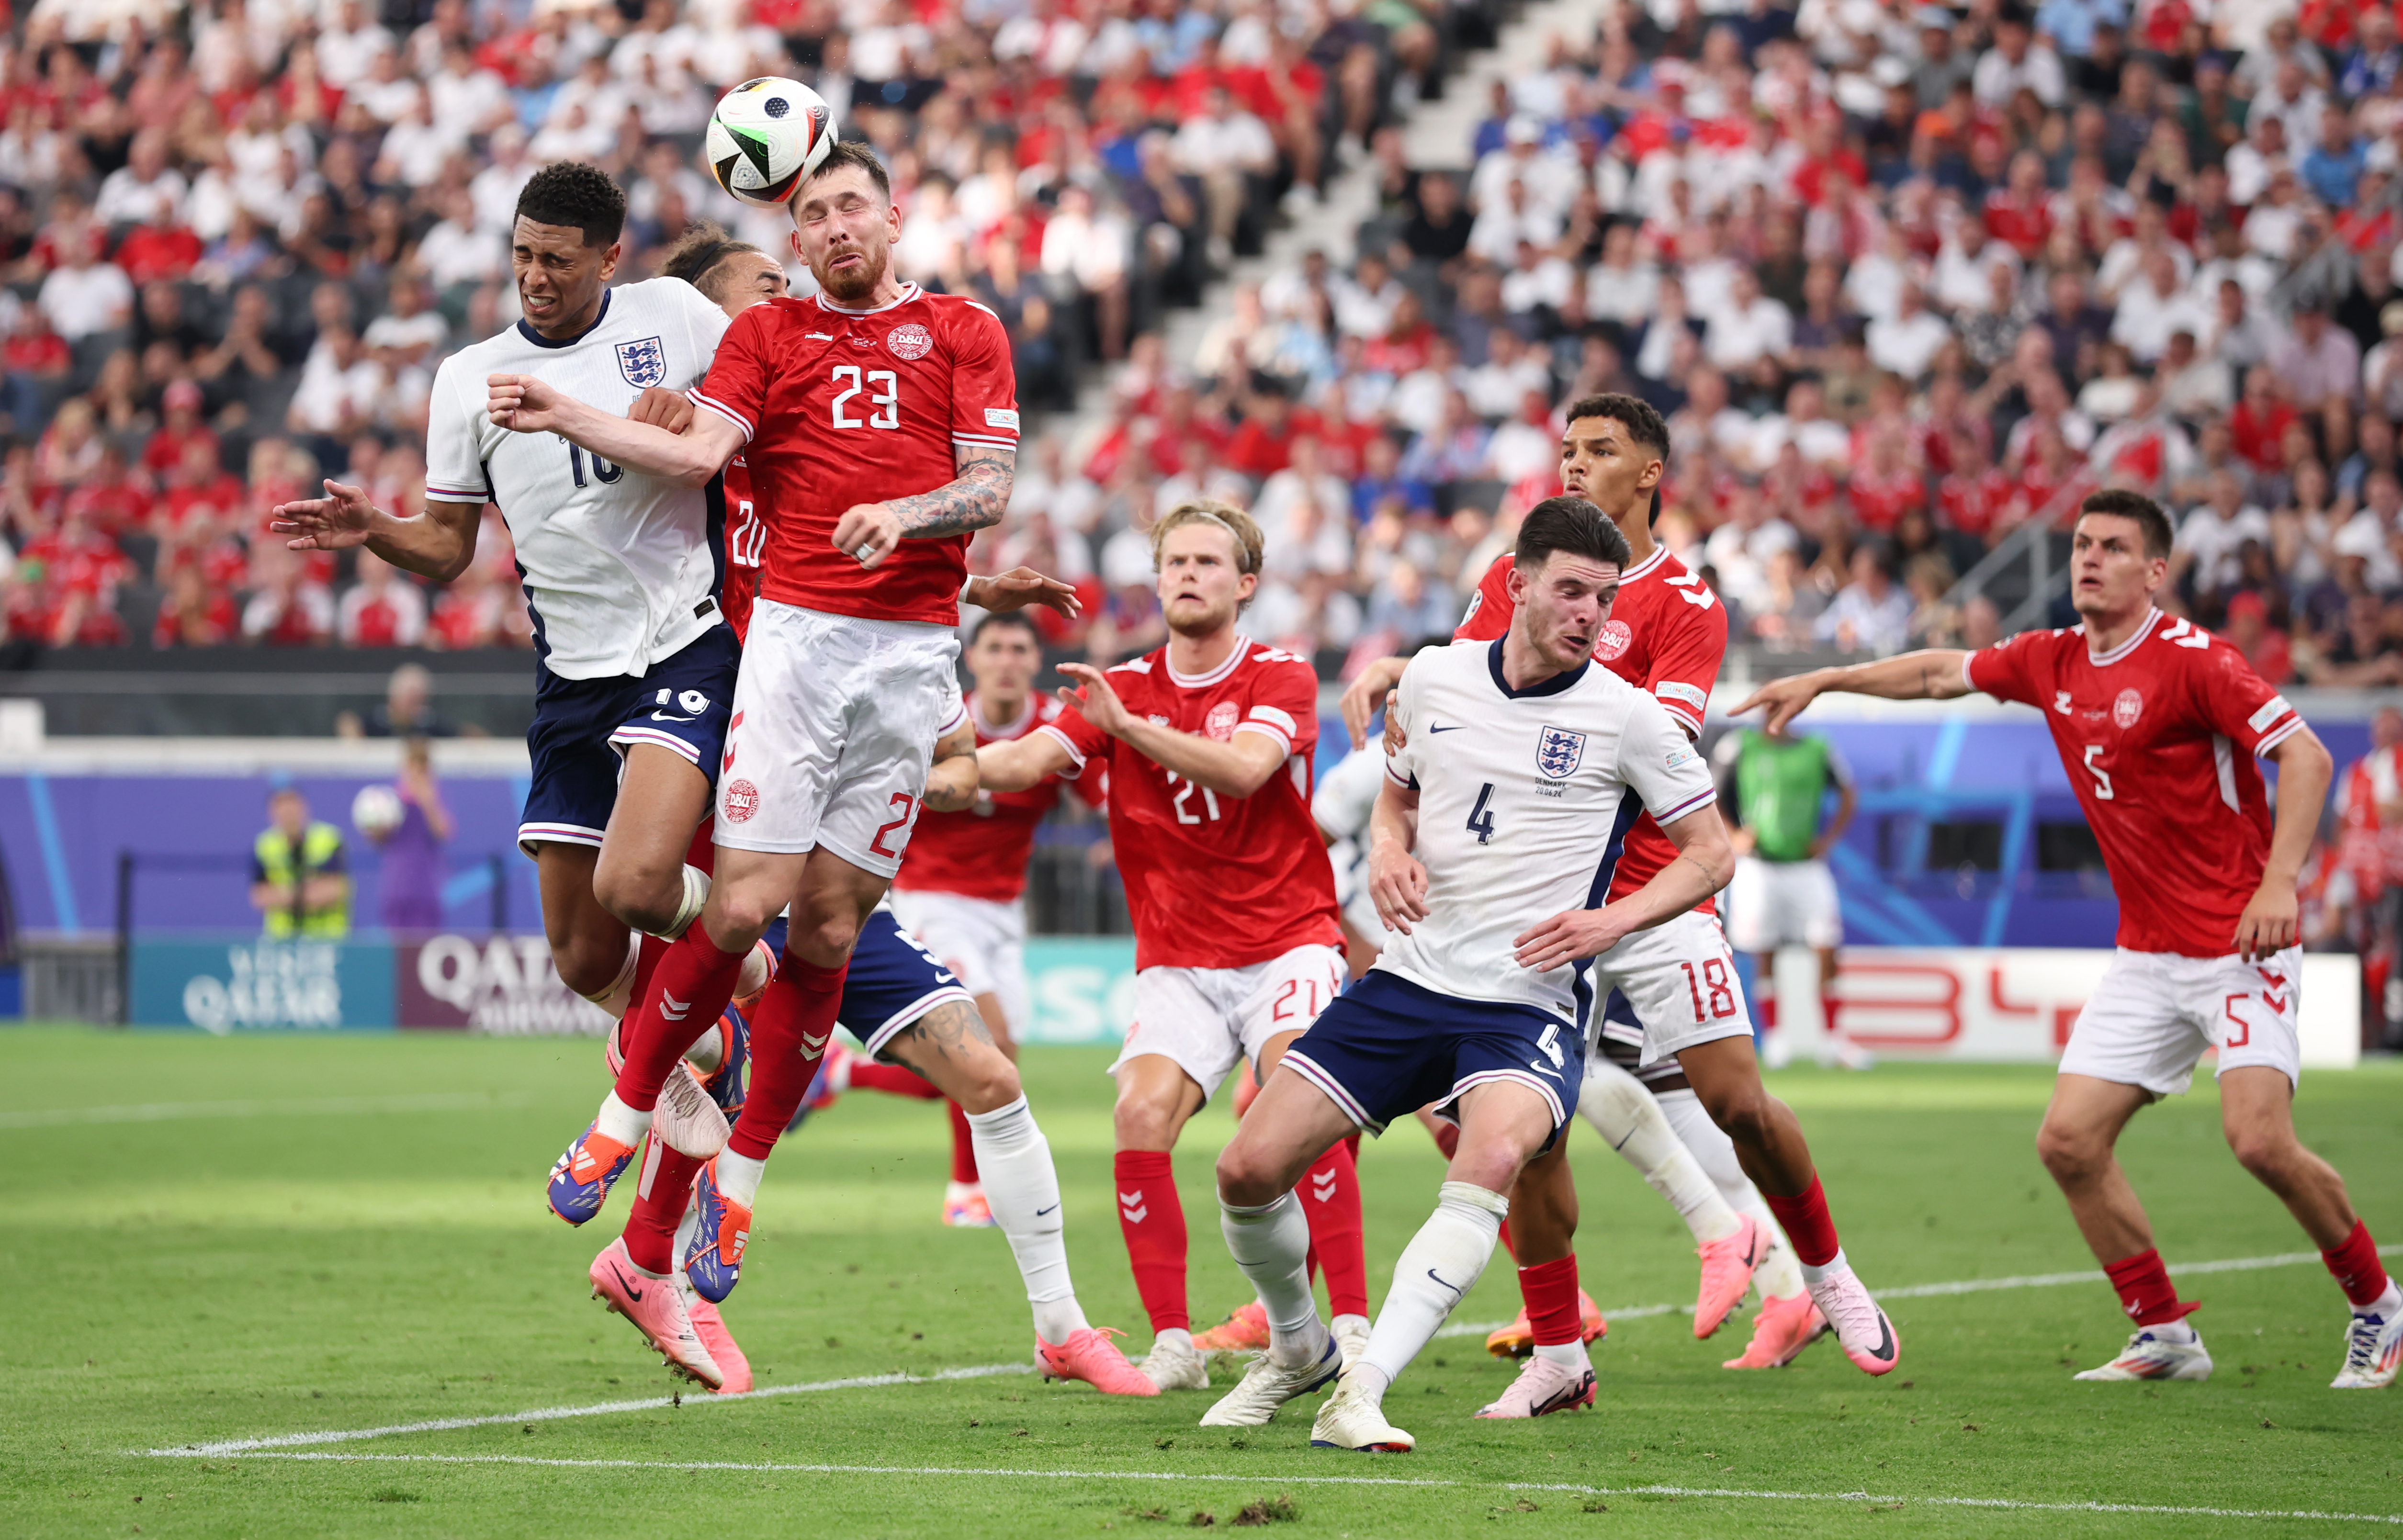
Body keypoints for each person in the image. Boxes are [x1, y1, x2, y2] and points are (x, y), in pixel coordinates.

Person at [564, 214, 1133, 1393]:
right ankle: (656, 1236)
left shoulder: (823, 417)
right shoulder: (721, 453)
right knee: (728, 982)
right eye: (761, 287)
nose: (788, 299)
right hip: (763, 773)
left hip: (858, 748)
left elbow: (880, 524)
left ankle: (1061, 1325)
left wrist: (967, 589)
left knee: (985, 1072)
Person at [1736, 489, 2401, 1391]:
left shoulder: (2194, 662)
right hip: (2148, 954)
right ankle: (2163, 1332)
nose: (2087, 558)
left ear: (2154, 570)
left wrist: (2278, 882)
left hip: (2238, 946)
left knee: (2256, 1140)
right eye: (2081, 544)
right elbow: (1940, 674)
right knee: (2067, 1143)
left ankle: (2377, 1304)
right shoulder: (2050, 659)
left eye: (2112, 547)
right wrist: (1825, 678)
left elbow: (2307, 756)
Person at [1346, 395, 1869, 1401]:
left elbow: (1646, 754)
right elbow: (1461, 688)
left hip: (1650, 898)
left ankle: (1820, 1275)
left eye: (1599, 451)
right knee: (1528, 1135)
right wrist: (1414, 675)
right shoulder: (1520, 579)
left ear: (1650, 471)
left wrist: (1441, 681)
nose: (1575, 465)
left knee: (1736, 1105)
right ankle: (1558, 1356)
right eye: (1566, 451)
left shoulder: (1687, 606)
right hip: (1531, 909)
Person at [1207, 497, 1743, 1451]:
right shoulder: (1433, 679)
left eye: (1604, 597)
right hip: (1410, 982)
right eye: (1570, 590)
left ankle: (1359, 1391)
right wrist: (1383, 851)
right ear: (1515, 584)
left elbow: (1710, 852)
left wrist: (1609, 920)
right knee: (1246, 1168)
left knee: (1488, 1155)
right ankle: (1299, 1347)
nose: (1590, 614)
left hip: (1524, 1002)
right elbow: (1394, 800)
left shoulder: (1630, 718)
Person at [974, 501, 1372, 1402]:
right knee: (1138, 1116)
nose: (1188, 574)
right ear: (1156, 581)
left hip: (1287, 940)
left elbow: (1241, 768)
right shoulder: (1122, 688)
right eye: (1175, 561)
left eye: (1207, 561)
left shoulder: (1280, 674)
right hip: (1179, 957)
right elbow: (1020, 762)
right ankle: (1172, 1341)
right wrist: (930, 762)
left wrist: (1124, 728)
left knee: (1291, 1109)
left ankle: (1349, 1324)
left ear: (1245, 584)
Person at [890, 609, 1106, 1227]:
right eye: (995, 648)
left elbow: (1104, 797)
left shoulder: (1052, 730)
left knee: (988, 1067)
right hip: (930, 899)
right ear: (973, 659)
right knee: (989, 1043)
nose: (1007, 659)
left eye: (1019, 649)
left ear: (1034, 662)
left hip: (1004, 912)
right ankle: (965, 1190)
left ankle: (841, 1073)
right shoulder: (936, 718)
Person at [1714, 722, 1867, 1071]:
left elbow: (1848, 793)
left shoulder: (1818, 748)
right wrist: (1735, 836)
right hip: (1758, 867)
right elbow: (1710, 792)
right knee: (1764, 949)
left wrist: (1828, 839)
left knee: (1827, 945)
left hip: (1805, 867)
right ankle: (1776, 1038)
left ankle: (1832, 1039)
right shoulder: (1739, 744)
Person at [371, 738, 452, 932]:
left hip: (425, 889)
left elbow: (444, 832)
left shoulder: (435, 798)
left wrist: (427, 800)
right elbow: (380, 840)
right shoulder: (392, 800)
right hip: (396, 888)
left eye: (421, 768)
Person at [249, 786, 350, 938]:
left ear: (304, 807)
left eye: (292, 804)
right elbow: (261, 897)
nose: (288, 812)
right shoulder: (264, 846)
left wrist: (283, 894)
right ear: (271, 813)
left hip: (327, 942)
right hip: (281, 943)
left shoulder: (329, 839)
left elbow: (335, 890)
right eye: (280, 806)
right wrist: (307, 892)